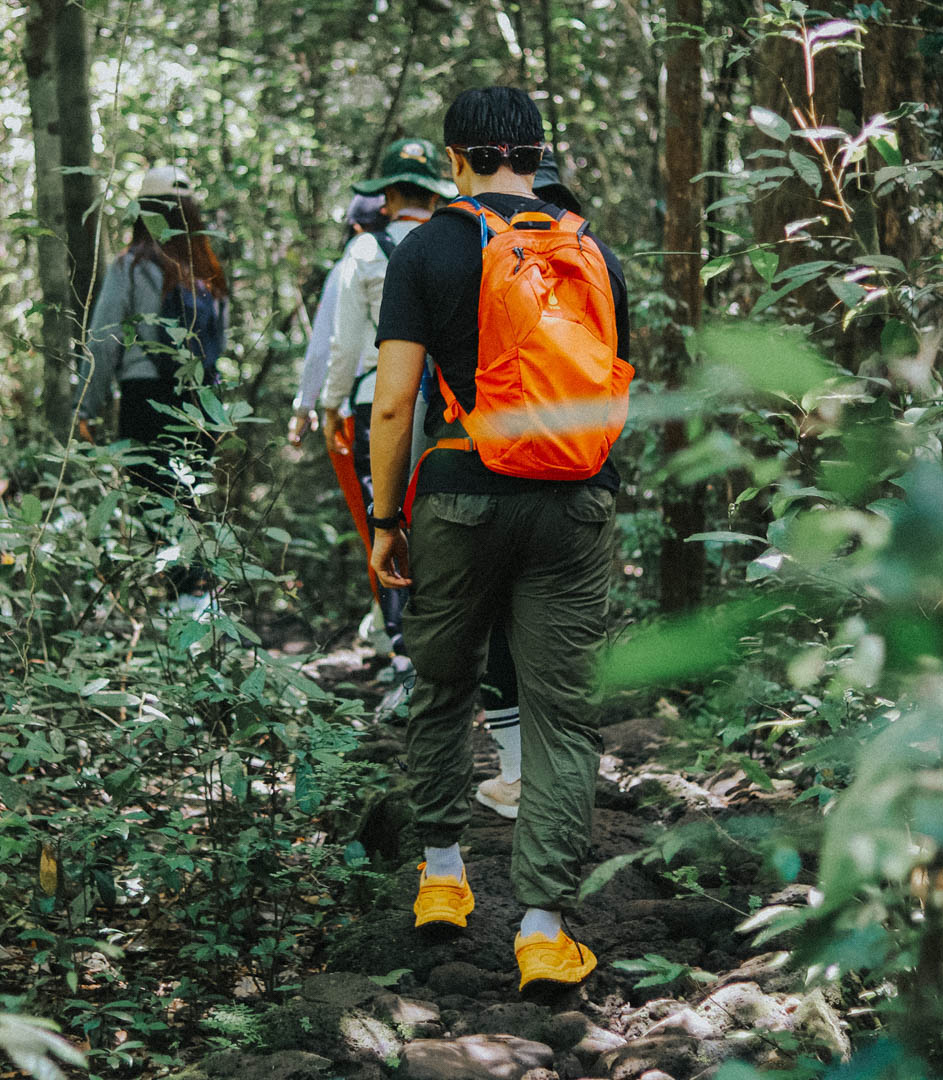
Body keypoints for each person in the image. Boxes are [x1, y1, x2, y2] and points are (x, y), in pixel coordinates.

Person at [368, 87, 631, 991]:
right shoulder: (589, 250)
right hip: (574, 499)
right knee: (562, 713)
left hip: (458, 496)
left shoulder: (427, 248)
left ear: (457, 157)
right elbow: (613, 388)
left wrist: (385, 518)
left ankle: (443, 879)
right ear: (535, 152)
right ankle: (545, 929)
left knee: (442, 684)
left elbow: (396, 399)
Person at [473, 149, 587, 822]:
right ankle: (554, 780)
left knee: (497, 627)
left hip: (496, 468)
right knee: (557, 633)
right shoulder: (593, 264)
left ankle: (517, 775)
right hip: (577, 470)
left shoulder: (482, 262)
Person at [319, 138, 455, 655]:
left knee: (387, 518)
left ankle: (404, 653)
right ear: (433, 195)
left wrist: (330, 405)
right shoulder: (457, 243)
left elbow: (345, 344)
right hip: (448, 406)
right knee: (438, 520)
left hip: (378, 400)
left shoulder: (365, 251)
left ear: (389, 198)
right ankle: (445, 646)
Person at [74, 166, 227, 602]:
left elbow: (103, 341)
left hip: (145, 400)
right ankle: (199, 611)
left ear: (143, 213)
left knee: (157, 508)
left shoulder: (133, 266)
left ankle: (187, 613)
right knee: (190, 502)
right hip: (201, 402)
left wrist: (86, 405)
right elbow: (221, 346)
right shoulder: (209, 274)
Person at [288, 194, 387, 605]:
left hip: (357, 409)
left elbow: (328, 346)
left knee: (375, 524)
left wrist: (306, 407)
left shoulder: (354, 260)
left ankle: (393, 630)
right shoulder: (423, 251)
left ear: (356, 227)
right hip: (427, 405)